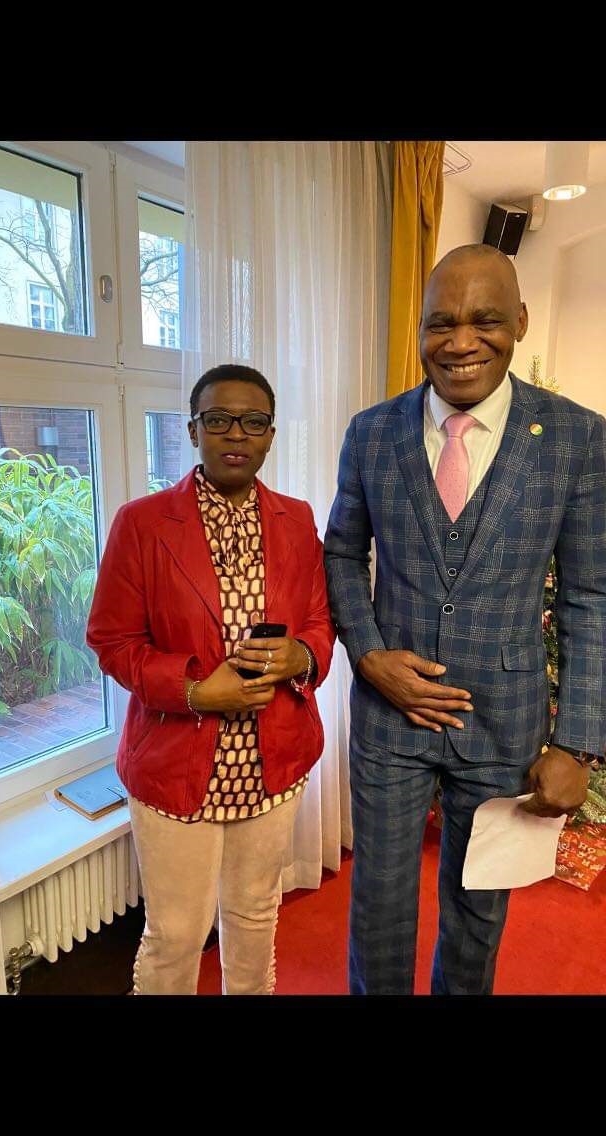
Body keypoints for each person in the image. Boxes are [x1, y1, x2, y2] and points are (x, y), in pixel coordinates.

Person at [324, 244, 606, 995]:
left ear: (520, 321)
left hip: (504, 722)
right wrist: (369, 654)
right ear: (420, 329)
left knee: (478, 914)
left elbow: (590, 596)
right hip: (389, 719)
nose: (460, 342)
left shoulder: (578, 438)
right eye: (440, 323)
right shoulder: (371, 432)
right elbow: (342, 553)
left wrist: (577, 743)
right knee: (379, 908)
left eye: (485, 320)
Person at [87, 364, 335, 995]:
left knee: (254, 914)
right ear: (193, 429)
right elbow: (112, 642)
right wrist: (196, 691)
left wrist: (302, 657)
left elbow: (319, 619)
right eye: (219, 418)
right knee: (177, 932)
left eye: (254, 421)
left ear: (271, 434)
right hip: (175, 758)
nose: (236, 433)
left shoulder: (296, 518)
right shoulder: (142, 523)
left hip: (272, 756)